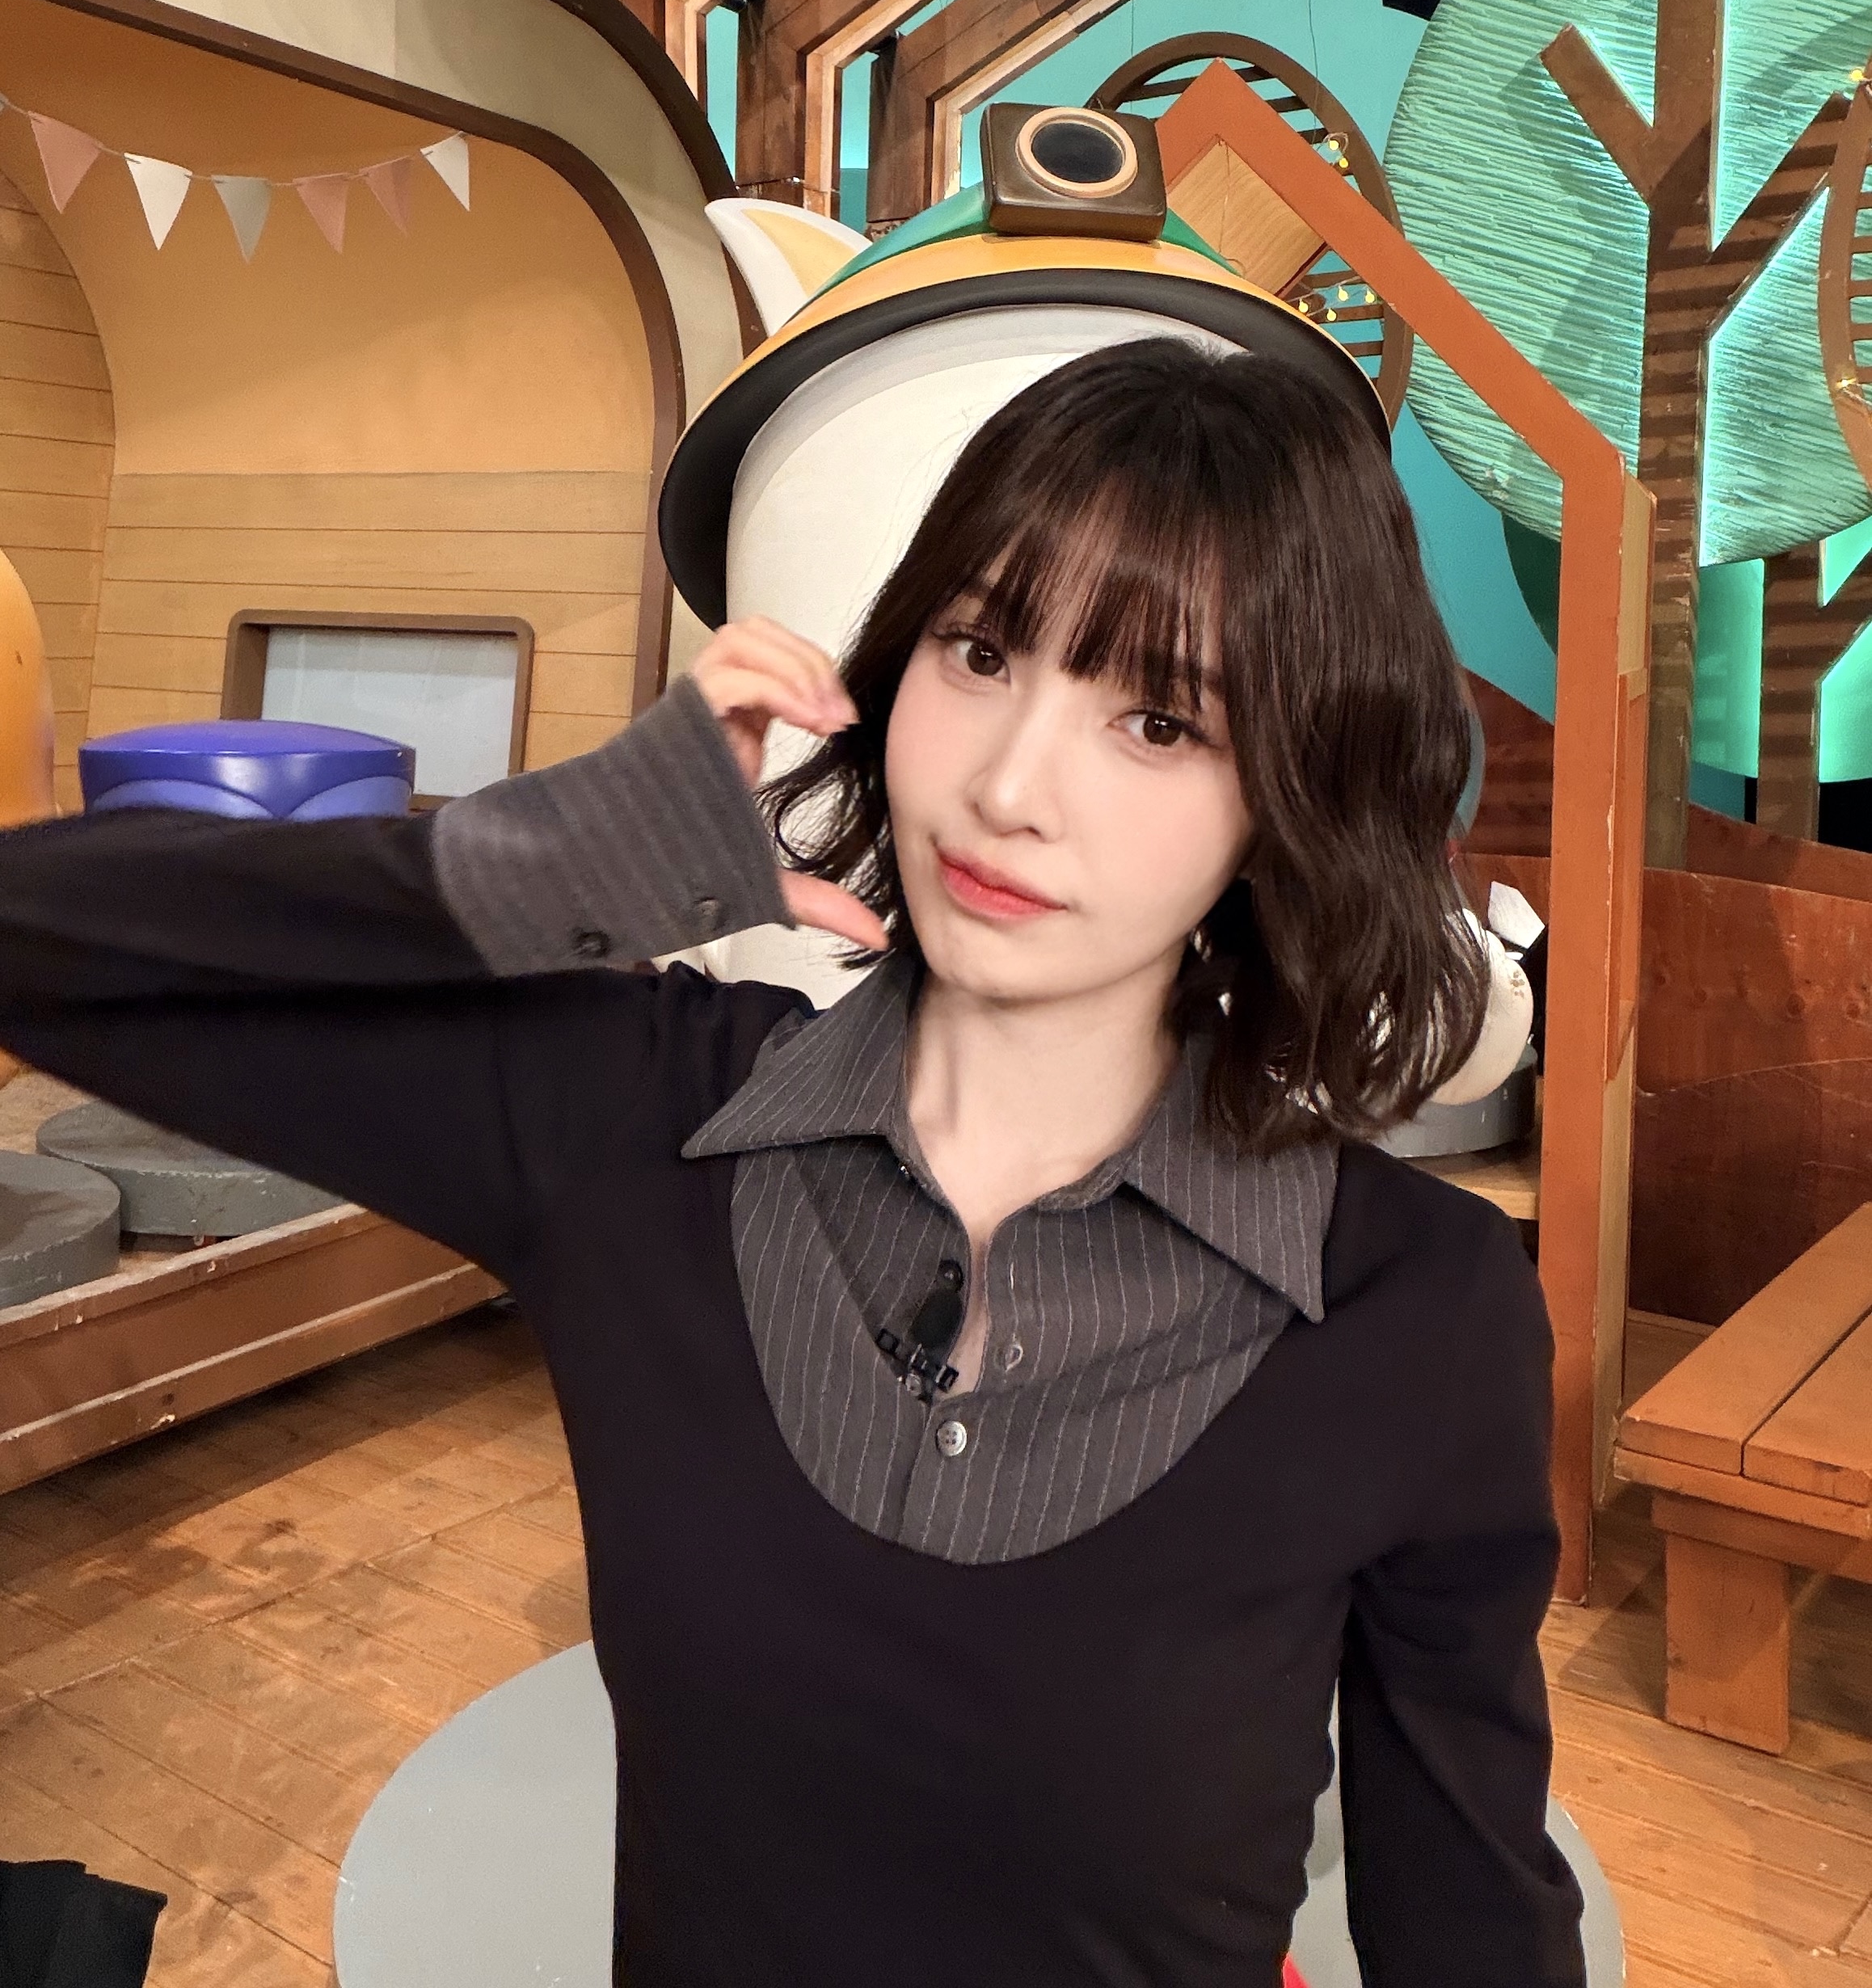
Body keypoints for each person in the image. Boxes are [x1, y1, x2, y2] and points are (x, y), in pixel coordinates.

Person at [0, 339, 1587, 1988]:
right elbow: (35, 937)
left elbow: (1470, 1915)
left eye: (1158, 718)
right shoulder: (631, 1122)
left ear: (1290, 793)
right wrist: (548, 860)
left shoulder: (1419, 1312)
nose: (1007, 786)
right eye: (980, 650)